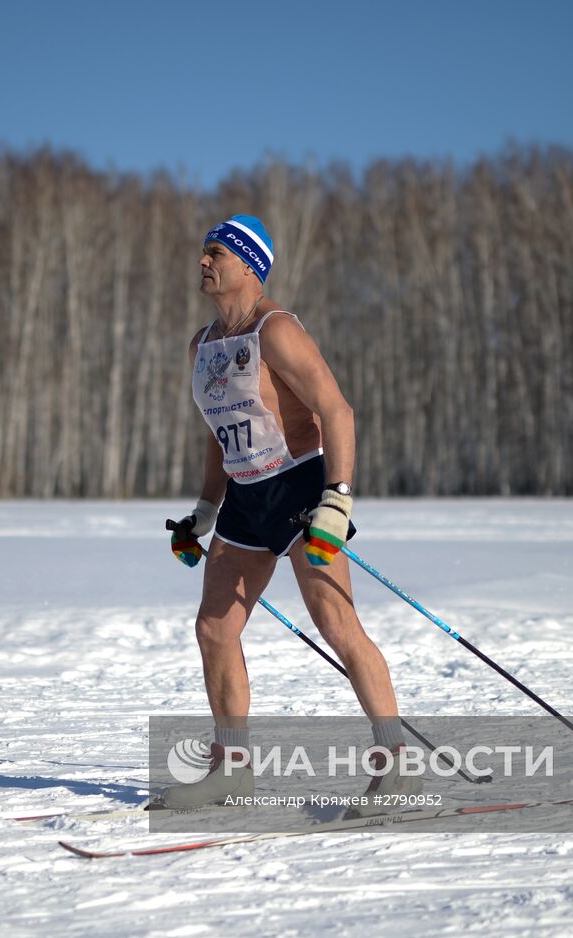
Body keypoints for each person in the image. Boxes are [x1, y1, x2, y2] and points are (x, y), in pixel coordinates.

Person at [160, 214, 418, 816]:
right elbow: (215, 435)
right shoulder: (201, 344)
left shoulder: (276, 330)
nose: (202, 262)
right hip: (246, 498)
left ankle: (398, 768)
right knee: (214, 628)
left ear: (249, 265)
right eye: (202, 252)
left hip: (301, 486)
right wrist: (204, 509)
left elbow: (338, 410)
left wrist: (337, 499)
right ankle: (232, 771)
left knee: (338, 626)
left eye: (215, 253)